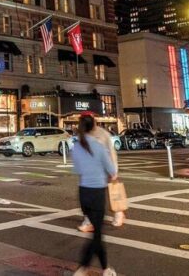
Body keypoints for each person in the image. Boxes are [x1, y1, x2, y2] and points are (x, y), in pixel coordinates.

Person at [70, 114, 118, 276]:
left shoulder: (76, 147)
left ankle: (105, 269)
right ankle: (83, 268)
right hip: (97, 192)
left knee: (97, 233)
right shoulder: (98, 146)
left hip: (83, 192)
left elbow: (77, 170)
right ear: (94, 127)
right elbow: (112, 170)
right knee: (97, 235)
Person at [80, 113, 123, 232]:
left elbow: (111, 152)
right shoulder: (83, 134)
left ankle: (118, 212)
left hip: (104, 168)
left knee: (112, 192)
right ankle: (89, 220)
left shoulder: (103, 134)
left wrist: (113, 170)